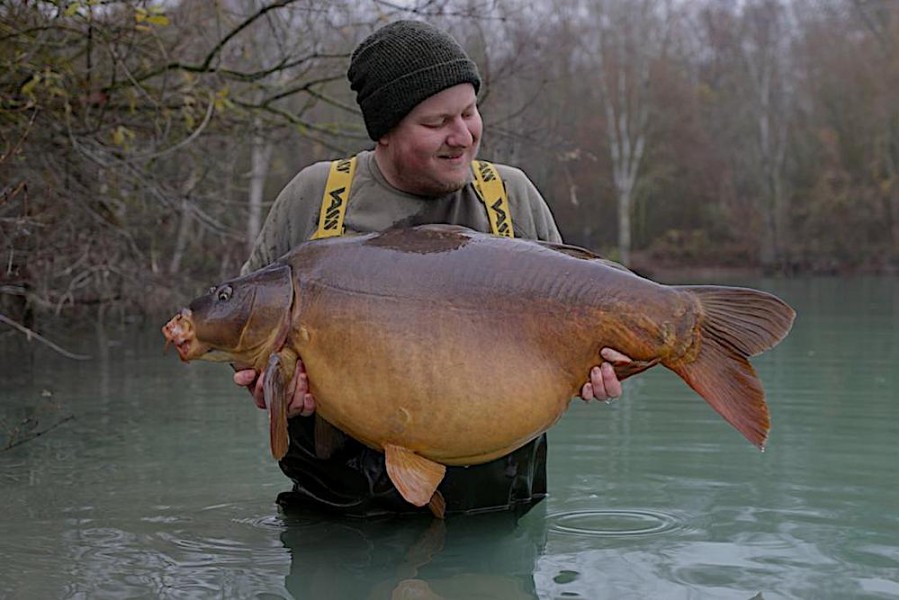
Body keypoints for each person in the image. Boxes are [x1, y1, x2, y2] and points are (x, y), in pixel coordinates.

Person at [233, 20, 630, 517]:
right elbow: (244, 325)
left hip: (492, 508)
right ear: (384, 131)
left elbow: (577, 328)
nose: (462, 136)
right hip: (340, 507)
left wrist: (599, 367)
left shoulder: (511, 197)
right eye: (436, 122)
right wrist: (270, 382)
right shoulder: (316, 197)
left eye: (469, 112)